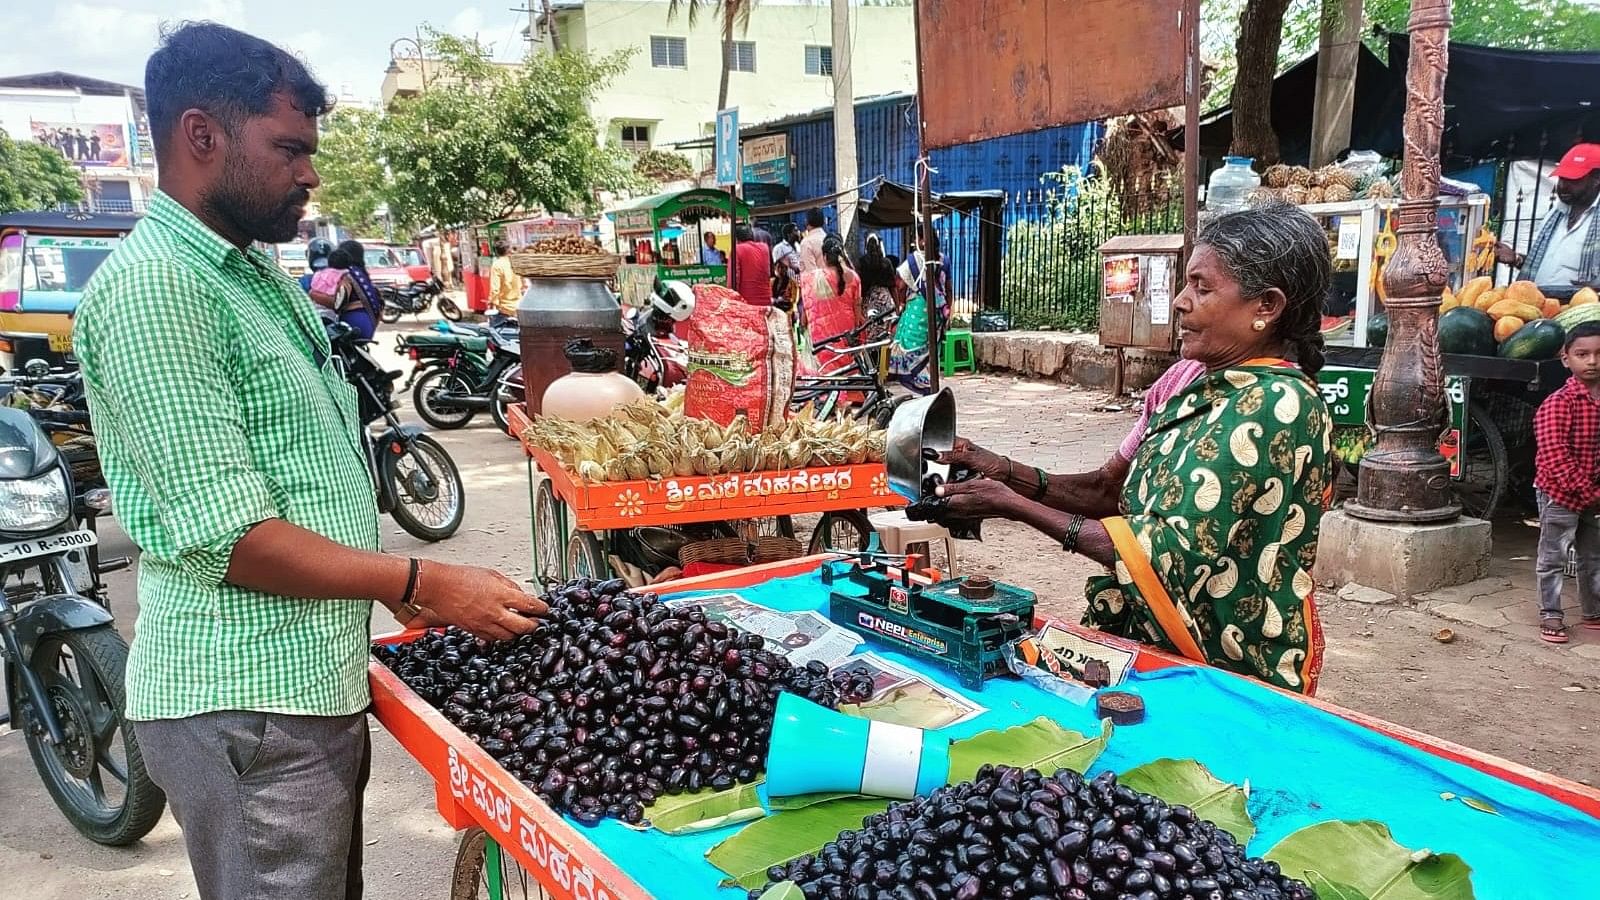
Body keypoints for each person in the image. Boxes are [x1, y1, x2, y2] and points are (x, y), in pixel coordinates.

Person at [73, 23, 544, 900]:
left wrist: (391, 586)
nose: (311, 174)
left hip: (299, 693)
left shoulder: (248, 275)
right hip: (247, 707)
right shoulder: (157, 292)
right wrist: (420, 581)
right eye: (289, 148)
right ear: (202, 136)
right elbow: (232, 536)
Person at [926, 202, 1334, 694]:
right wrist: (1003, 471)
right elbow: (1112, 495)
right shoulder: (1198, 385)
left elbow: (1164, 554)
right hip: (1157, 644)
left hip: (1231, 664)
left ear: (1266, 306)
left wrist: (1011, 506)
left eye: (1202, 288)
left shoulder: (1275, 405)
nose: (1181, 302)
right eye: (1185, 284)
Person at [1531, 320, 1600, 643]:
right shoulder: (1559, 404)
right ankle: (1551, 613)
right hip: (1561, 493)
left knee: (1593, 556)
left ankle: (1592, 610)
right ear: (1566, 359)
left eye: (1599, 354)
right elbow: (1555, 456)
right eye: (1582, 354)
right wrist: (1589, 492)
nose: (1592, 361)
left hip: (1595, 494)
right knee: (1553, 556)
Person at [1496, 144, 1600, 298]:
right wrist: (1516, 258)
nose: (1563, 186)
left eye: (1573, 180)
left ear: (1596, 179)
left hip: (1581, 312)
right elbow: (1545, 266)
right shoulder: (1555, 214)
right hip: (1542, 307)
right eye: (1561, 178)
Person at [888, 235, 950, 391]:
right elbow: (948, 287)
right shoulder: (944, 260)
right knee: (930, 348)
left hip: (917, 309)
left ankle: (917, 381)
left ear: (922, 240)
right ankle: (929, 382)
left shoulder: (913, 261)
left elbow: (900, 284)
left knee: (910, 345)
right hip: (937, 310)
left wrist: (901, 303)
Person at [799, 233, 863, 347]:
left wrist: (803, 323)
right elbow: (857, 310)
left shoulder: (810, 279)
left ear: (824, 256)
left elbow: (805, 316)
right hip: (847, 334)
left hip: (821, 340)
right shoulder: (854, 277)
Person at [322, 239, 384, 340]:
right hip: (370, 326)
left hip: (351, 325)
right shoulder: (363, 274)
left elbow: (339, 303)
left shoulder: (345, 274)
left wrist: (317, 297)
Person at [857, 233, 898, 339]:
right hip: (885, 302)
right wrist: (897, 308)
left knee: (871, 334)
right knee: (886, 334)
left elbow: (860, 288)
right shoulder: (886, 262)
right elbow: (893, 287)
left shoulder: (862, 263)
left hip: (868, 303)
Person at [732, 223, 773, 306]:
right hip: (766, 300)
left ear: (736, 239)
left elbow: (733, 280)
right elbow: (770, 271)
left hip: (746, 303)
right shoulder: (764, 248)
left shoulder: (736, 250)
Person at [488, 239, 520, 327]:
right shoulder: (515, 263)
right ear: (508, 250)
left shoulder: (497, 265)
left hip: (504, 309)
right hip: (518, 306)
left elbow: (495, 289)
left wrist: (492, 303)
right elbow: (524, 285)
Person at [772, 222, 803, 304]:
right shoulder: (779, 248)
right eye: (795, 231)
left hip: (801, 285)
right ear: (789, 234)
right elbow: (777, 268)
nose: (798, 233)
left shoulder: (798, 246)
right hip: (787, 288)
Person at [799, 207, 827, 273]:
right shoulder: (827, 237)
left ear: (807, 222)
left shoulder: (806, 243)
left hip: (817, 281)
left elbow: (812, 273)